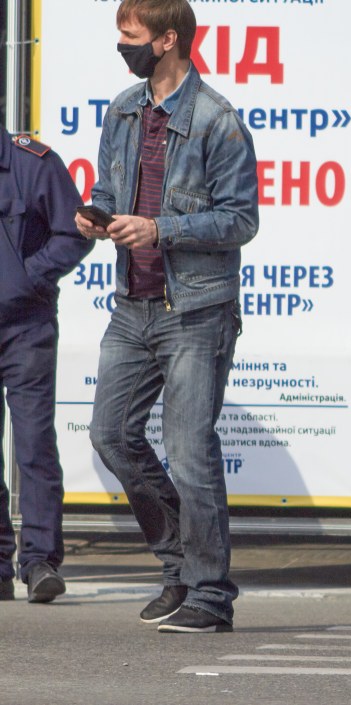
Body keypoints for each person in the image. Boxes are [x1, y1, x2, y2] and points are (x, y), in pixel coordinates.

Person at [75, 0, 258, 633]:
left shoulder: (217, 119)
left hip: (195, 310)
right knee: (110, 436)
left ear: (167, 40)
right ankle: (179, 563)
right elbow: (109, 189)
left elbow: (241, 220)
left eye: (130, 33)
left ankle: (209, 594)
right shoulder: (123, 110)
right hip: (132, 306)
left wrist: (161, 229)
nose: (120, 43)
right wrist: (95, 216)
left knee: (190, 451)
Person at [0, 126, 93, 604]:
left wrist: (28, 277)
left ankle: (39, 563)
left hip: (25, 328)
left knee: (34, 443)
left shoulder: (32, 161)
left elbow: (75, 233)